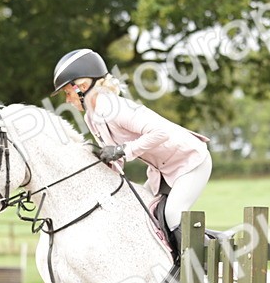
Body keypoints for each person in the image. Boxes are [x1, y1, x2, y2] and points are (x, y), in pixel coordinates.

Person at [52, 49, 211, 254]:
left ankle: (204, 268)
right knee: (140, 215)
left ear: (82, 87)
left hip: (190, 162)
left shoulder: (115, 108)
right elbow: (115, 161)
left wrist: (123, 150)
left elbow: (160, 132)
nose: (67, 100)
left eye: (67, 92)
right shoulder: (92, 117)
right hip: (162, 171)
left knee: (172, 216)